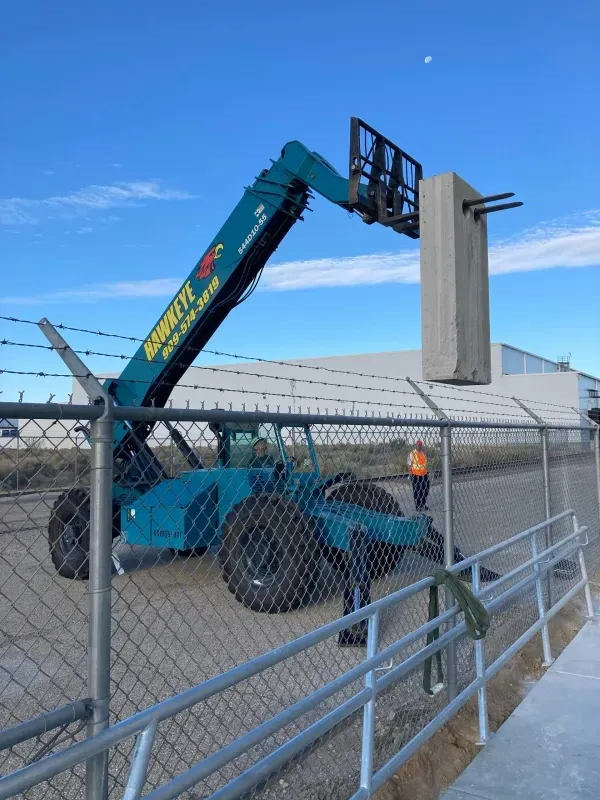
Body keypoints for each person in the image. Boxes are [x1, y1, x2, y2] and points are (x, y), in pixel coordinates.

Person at [407, 439, 429, 512]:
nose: (420, 446)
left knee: (425, 490)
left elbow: (425, 465)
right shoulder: (412, 454)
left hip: (424, 475)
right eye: (418, 445)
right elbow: (409, 465)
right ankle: (418, 506)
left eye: (421, 445)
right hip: (415, 475)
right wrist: (411, 474)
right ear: (416, 445)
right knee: (417, 491)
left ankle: (423, 504)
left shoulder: (423, 454)